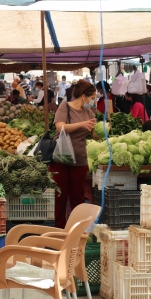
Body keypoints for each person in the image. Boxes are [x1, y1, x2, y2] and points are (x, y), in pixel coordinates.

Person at [50, 80, 97, 229]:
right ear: (84, 96)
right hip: (60, 159)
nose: (93, 101)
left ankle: (77, 231)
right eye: (92, 98)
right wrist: (82, 124)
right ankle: (59, 230)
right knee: (60, 197)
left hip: (80, 159)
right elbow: (60, 127)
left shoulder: (89, 112)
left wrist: (102, 128)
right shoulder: (65, 107)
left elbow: (94, 135)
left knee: (77, 198)